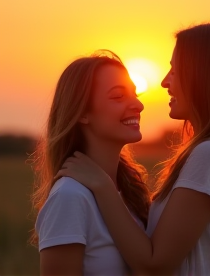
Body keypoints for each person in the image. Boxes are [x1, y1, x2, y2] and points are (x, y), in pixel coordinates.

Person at [56, 23, 210, 275]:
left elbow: (154, 265)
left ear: (206, 77)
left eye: (175, 71)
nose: (165, 81)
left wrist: (102, 185)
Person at [30, 50, 151, 275]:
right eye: (118, 96)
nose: (138, 105)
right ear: (82, 113)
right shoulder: (70, 197)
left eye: (135, 95)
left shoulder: (129, 193)